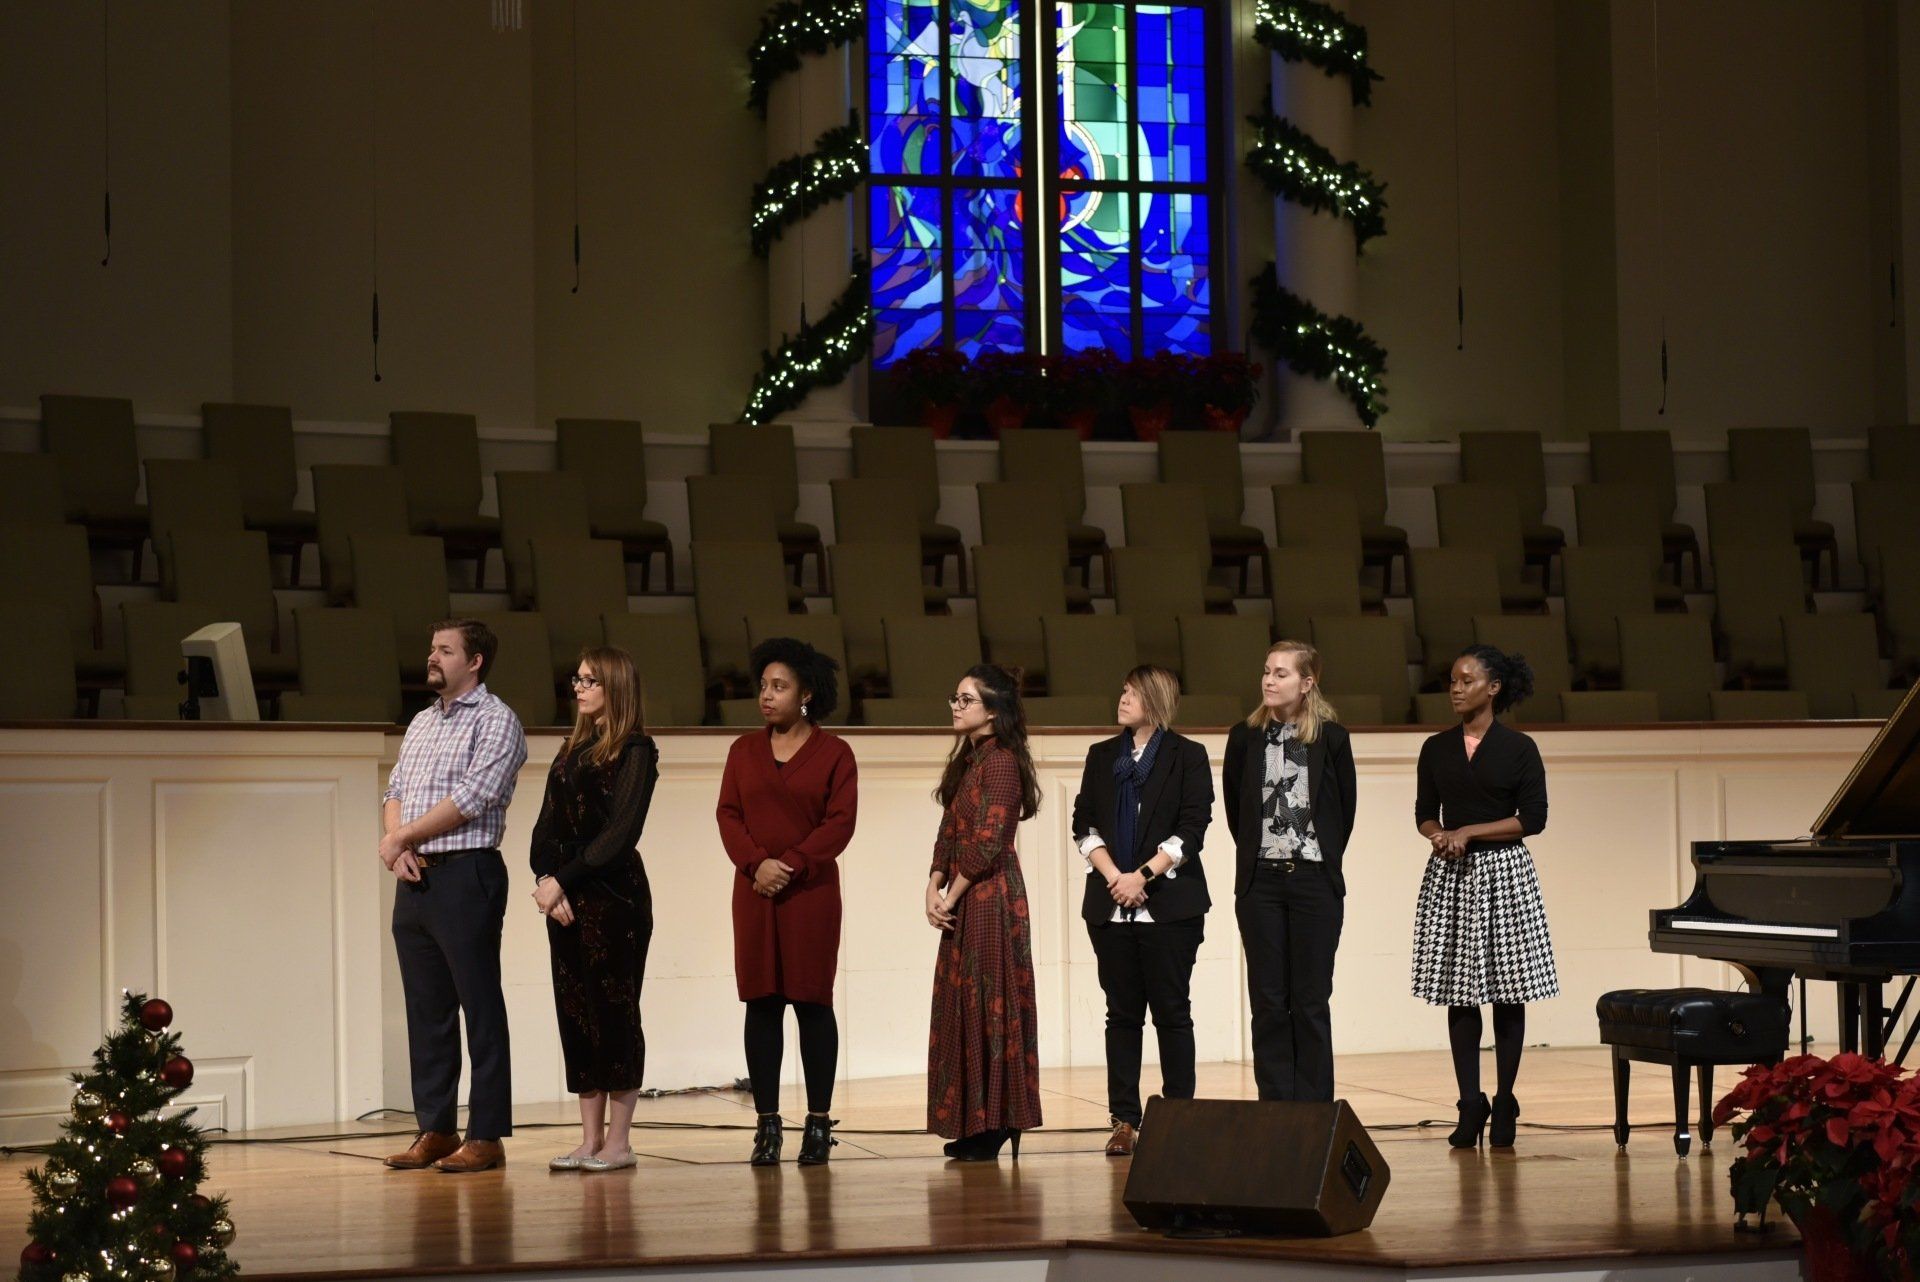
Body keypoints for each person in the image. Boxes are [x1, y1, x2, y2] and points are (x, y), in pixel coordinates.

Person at [381, 619, 529, 1173]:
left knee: (479, 1006)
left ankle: (486, 1135)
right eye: (432, 647)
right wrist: (398, 845)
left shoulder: (497, 721)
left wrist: (403, 837)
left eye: (445, 650)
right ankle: (436, 1128)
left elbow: (475, 796)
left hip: (467, 874)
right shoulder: (422, 721)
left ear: (475, 662)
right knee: (427, 1011)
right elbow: (395, 789)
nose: (432, 656)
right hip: (415, 876)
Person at [716, 637, 858, 1166]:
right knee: (762, 1003)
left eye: (779, 687)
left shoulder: (835, 753)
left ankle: (818, 1124)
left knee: (812, 1002)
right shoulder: (742, 752)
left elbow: (839, 825)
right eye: (763, 686)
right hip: (754, 892)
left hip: (810, 893)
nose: (766, 696)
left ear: (806, 694)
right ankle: (768, 1125)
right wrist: (757, 864)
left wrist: (791, 864)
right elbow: (728, 815)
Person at [1412, 645, 1556, 1149]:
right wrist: (1441, 835)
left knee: (1506, 990)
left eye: (1466, 680)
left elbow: (1532, 818)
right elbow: (1425, 813)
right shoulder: (1436, 747)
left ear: (1493, 688)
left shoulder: (1519, 748)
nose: (1455, 688)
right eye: (1451, 680)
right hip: (1451, 871)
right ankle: (1469, 1101)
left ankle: (1505, 1100)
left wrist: (1470, 831)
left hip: (1504, 872)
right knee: (1459, 990)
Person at [1070, 665, 1213, 1156]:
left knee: (1173, 1012)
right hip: (1111, 904)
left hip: (1170, 905)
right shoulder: (1102, 755)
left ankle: (1178, 1114)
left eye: (1131, 691)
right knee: (1122, 1015)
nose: (1122, 697)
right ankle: (1124, 1120)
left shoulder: (1187, 756)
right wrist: (1116, 878)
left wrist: (1143, 876)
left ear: (1154, 699)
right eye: (1123, 688)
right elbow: (1083, 823)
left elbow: (1193, 828)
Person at [529, 646, 660, 1173]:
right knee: (575, 1013)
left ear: (615, 687)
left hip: (614, 899)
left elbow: (619, 834)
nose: (579, 688)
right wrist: (545, 879)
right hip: (565, 900)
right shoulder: (569, 750)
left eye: (590, 680)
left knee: (614, 1013)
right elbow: (544, 826)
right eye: (577, 679)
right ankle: (588, 1139)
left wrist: (563, 880)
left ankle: (619, 1142)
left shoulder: (635, 750)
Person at [1221, 640, 1357, 1104]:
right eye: (1266, 671)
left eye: (1280, 673)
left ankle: (1315, 1109)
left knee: (1311, 1001)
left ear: (1307, 682)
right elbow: (1237, 809)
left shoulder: (1331, 738)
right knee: (1269, 1001)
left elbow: (1343, 811)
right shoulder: (1245, 736)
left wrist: (1314, 860)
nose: (1269, 681)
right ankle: (1276, 1107)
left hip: (1314, 882)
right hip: (1261, 883)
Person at [925, 664, 1044, 1161]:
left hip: (990, 898)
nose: (955, 707)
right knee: (964, 1007)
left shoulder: (999, 763)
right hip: (965, 894)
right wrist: (933, 883)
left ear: (993, 711)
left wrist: (950, 895)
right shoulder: (971, 761)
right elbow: (950, 833)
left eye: (965, 700)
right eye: (954, 698)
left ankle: (996, 1120)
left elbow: (989, 840)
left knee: (989, 1005)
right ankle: (977, 1121)